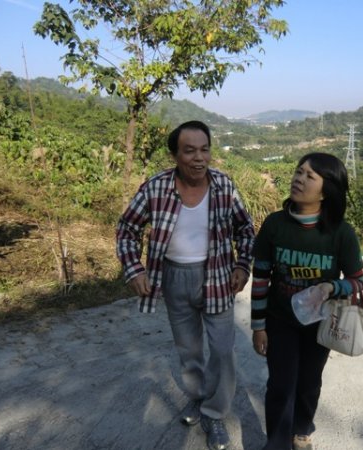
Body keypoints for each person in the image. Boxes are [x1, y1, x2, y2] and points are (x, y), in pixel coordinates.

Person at [116, 120, 255, 450]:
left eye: (204, 150)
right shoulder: (156, 187)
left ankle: (215, 413)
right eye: (190, 151)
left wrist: (242, 265)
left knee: (222, 350)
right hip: (174, 277)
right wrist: (134, 270)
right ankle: (198, 397)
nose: (199, 158)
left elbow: (245, 230)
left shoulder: (224, 186)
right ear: (175, 155)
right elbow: (127, 229)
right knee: (188, 349)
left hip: (218, 276)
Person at [250, 152, 363, 450]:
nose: (299, 179)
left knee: (309, 383)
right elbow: (260, 278)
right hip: (280, 320)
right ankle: (276, 443)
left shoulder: (341, 233)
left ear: (326, 191)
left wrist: (332, 286)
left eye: (310, 176)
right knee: (280, 385)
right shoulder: (275, 224)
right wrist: (258, 326)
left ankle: (302, 429)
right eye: (298, 172)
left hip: (320, 325)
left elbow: (357, 281)